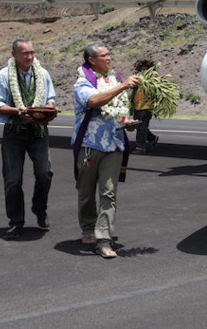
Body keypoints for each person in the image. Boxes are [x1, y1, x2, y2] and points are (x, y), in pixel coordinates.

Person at [72, 41, 140, 259]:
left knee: (108, 193)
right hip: (90, 145)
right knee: (86, 192)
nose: (109, 58)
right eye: (104, 55)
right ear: (92, 60)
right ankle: (87, 227)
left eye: (110, 54)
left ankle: (103, 239)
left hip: (114, 144)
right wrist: (122, 86)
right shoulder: (82, 83)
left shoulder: (114, 80)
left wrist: (126, 122)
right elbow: (93, 101)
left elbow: (117, 110)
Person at [0, 38, 56, 240]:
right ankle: (16, 222)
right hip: (14, 131)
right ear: (14, 55)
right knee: (13, 179)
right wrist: (17, 111)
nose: (30, 57)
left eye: (32, 53)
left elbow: (51, 98)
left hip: (38, 130)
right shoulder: (3, 76)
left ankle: (39, 208)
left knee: (45, 173)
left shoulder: (42, 73)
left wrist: (49, 108)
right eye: (25, 53)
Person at [131, 59, 159, 154]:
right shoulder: (138, 77)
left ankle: (140, 147)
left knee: (142, 126)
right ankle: (152, 138)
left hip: (147, 106)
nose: (141, 71)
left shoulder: (153, 76)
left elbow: (154, 86)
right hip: (137, 105)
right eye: (140, 69)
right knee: (139, 125)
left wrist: (142, 79)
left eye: (143, 69)